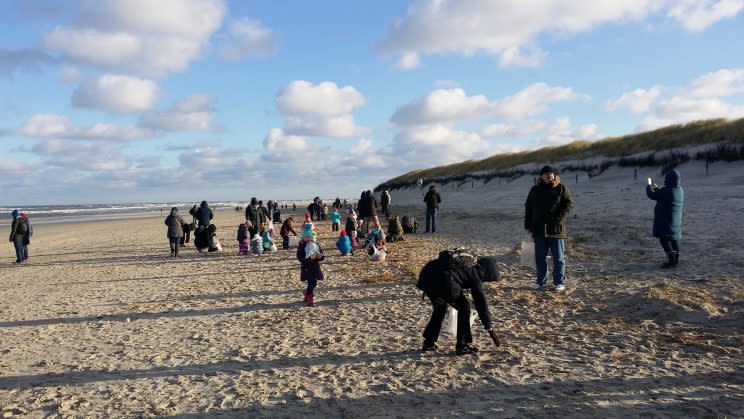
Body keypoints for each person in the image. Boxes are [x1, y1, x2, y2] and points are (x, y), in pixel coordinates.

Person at [416, 256, 501, 355]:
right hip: (444, 279)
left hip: (427, 275)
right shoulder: (476, 275)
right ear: (488, 272)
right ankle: (462, 346)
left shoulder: (467, 263)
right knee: (464, 307)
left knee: (440, 308)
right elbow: (481, 304)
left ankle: (429, 343)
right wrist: (490, 329)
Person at [524, 165, 574, 292]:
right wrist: (528, 225)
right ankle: (540, 282)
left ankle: (559, 282)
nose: (549, 175)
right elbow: (528, 208)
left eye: (551, 173)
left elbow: (568, 203)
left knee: (559, 258)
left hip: (556, 230)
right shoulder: (534, 190)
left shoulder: (561, 188)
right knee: (540, 258)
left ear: (554, 175)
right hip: (538, 230)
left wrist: (558, 217)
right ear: (541, 176)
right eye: (546, 173)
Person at [646, 169, 684, 268]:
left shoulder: (666, 191)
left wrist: (648, 188)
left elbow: (652, 195)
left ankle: (671, 259)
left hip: (666, 221)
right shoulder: (679, 189)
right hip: (675, 220)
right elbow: (663, 196)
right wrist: (658, 189)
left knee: (664, 239)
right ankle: (676, 259)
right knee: (674, 239)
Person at [297, 224, 324, 307]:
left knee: (314, 283)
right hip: (307, 268)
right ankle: (310, 300)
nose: (309, 238)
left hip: (315, 267)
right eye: (307, 237)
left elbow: (321, 255)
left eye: (310, 237)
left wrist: (320, 257)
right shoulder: (302, 246)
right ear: (303, 237)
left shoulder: (316, 244)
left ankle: (306, 293)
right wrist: (309, 259)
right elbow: (300, 257)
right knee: (311, 283)